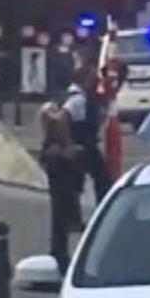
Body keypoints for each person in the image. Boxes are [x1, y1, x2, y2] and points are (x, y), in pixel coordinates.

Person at [39, 99, 82, 274]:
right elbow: (57, 158)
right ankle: (59, 255)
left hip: (66, 186)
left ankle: (60, 253)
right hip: (62, 187)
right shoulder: (54, 147)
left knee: (62, 221)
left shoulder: (55, 143)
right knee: (61, 219)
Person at [64, 65, 111, 203]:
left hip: (84, 143)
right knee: (101, 178)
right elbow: (64, 117)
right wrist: (69, 144)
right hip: (83, 144)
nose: (95, 80)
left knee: (77, 183)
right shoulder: (77, 99)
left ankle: (74, 215)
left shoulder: (84, 96)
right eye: (92, 77)